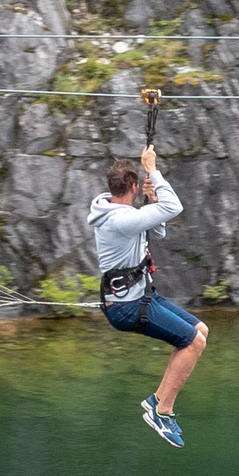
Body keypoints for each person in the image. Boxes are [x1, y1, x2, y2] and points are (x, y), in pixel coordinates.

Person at [87, 141, 208, 447]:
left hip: (140, 297)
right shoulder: (121, 220)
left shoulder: (120, 212)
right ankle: (162, 411)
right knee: (192, 343)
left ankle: (158, 400)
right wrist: (153, 169)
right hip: (126, 308)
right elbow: (174, 207)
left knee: (199, 331)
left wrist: (151, 200)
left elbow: (158, 230)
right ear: (132, 185)